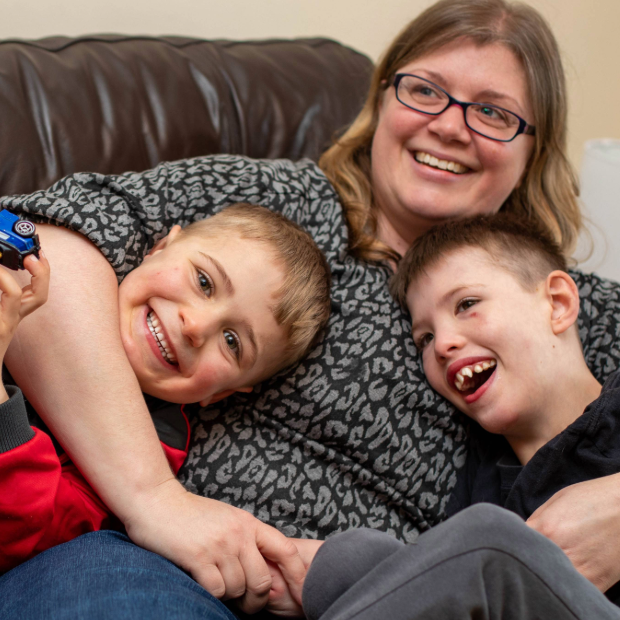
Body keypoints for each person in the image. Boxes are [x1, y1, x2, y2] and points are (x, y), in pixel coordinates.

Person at [2, 0, 620, 618]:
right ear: (383, 98)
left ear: (535, 148)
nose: (451, 127)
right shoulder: (275, 203)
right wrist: (156, 499)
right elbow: (37, 249)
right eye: (426, 90)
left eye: (492, 111)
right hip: (172, 576)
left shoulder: (558, 301)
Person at [299, 215, 620, 619]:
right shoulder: (481, 482)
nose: (443, 345)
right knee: (344, 562)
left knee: (488, 539)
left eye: (467, 304)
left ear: (557, 303)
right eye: (425, 338)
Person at [0, 203, 331, 574]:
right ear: (160, 247)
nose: (196, 326)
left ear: (221, 394)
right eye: (204, 282)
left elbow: (30, 533)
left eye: (232, 342)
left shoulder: (157, 444)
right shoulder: (51, 275)